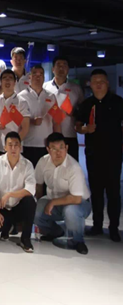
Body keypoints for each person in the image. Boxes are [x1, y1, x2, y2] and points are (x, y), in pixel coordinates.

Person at [75, 69, 123, 241]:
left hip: (113, 154)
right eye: (95, 82)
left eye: (101, 81)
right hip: (93, 154)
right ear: (91, 84)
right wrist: (85, 129)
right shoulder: (87, 104)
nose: (98, 84)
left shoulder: (118, 102)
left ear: (107, 83)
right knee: (95, 191)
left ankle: (114, 228)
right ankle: (97, 225)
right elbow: (78, 126)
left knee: (113, 192)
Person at [34, 133, 91, 254]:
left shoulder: (74, 167)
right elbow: (38, 185)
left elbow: (76, 199)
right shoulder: (43, 162)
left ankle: (78, 241)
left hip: (79, 203)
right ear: (48, 149)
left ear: (66, 148)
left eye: (61, 147)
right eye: (54, 148)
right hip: (53, 200)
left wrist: (53, 203)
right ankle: (55, 232)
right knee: (35, 211)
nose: (58, 152)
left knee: (71, 211)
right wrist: (40, 204)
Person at [0, 132, 36, 253]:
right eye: (10, 145)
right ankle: (7, 227)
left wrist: (10, 194)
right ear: (5, 147)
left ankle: (25, 238)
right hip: (2, 207)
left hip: (18, 206)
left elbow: (30, 189)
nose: (13, 148)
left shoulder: (27, 164)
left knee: (30, 201)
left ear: (21, 147)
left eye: (16, 145)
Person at [17, 65, 60, 166]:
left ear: (44, 77)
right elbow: (17, 121)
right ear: (29, 77)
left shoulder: (51, 96)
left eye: (41, 74)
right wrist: (31, 121)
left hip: (47, 145)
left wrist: (58, 142)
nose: (38, 77)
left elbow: (56, 121)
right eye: (35, 74)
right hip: (27, 143)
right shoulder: (21, 96)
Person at [44, 56, 84, 160]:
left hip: (69, 134)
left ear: (68, 69)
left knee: (71, 164)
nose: (61, 68)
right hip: (49, 134)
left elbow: (83, 111)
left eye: (64, 65)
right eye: (58, 65)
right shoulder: (45, 87)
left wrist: (74, 113)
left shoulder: (76, 89)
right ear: (53, 69)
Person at [0, 70, 30, 158]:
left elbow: (25, 128)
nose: (7, 80)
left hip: (15, 149)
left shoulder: (22, 102)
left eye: (10, 78)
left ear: (15, 82)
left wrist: (14, 145)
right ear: (1, 82)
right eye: (4, 78)